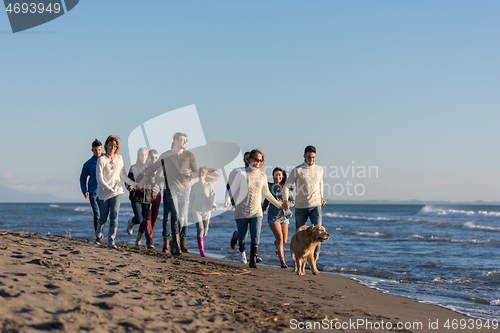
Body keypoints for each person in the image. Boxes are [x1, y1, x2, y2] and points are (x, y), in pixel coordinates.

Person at [139, 132, 198, 255]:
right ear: (175, 141)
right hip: (170, 190)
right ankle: (174, 245)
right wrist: (141, 182)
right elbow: (153, 169)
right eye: (182, 139)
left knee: (182, 218)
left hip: (185, 191)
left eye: (186, 139)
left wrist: (190, 174)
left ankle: (177, 242)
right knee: (174, 215)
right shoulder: (166, 155)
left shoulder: (189, 155)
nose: (185, 141)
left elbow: (196, 172)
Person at [227, 149, 282, 268]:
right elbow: (232, 189)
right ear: (249, 159)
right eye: (255, 160)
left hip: (256, 211)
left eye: (260, 160)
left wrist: (279, 204)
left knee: (256, 234)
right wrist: (228, 200)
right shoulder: (241, 174)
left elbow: (267, 194)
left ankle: (253, 260)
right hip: (241, 210)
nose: (257, 162)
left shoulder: (262, 176)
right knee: (242, 235)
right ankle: (235, 236)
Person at [282, 145, 325, 261]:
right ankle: (299, 262)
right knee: (300, 237)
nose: (311, 160)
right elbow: (286, 186)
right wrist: (285, 200)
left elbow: (320, 184)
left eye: (313, 157)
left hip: (316, 206)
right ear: (304, 156)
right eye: (309, 157)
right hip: (301, 207)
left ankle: (313, 263)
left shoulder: (320, 169)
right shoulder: (297, 170)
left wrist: (322, 197)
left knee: (319, 236)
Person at [95, 135, 138, 248]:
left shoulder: (119, 158)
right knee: (104, 217)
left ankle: (111, 239)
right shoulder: (101, 160)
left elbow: (123, 175)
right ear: (106, 146)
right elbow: (99, 179)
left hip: (116, 191)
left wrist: (134, 184)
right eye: (111, 146)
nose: (112, 148)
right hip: (104, 193)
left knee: (114, 215)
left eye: (115, 146)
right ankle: (99, 227)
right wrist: (108, 188)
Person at [262, 167, 295, 268]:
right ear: (273, 176)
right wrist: (261, 211)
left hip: (284, 217)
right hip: (273, 217)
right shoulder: (269, 188)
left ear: (282, 176)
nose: (278, 177)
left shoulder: (286, 188)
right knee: (280, 239)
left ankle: (277, 245)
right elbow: (266, 201)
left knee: (284, 240)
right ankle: (283, 262)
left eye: (280, 175)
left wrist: (286, 203)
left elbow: (293, 202)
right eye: (276, 175)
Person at [188, 165, 220, 257]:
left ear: (205, 174)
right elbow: (191, 199)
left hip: (206, 210)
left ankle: (201, 244)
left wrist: (214, 204)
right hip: (196, 210)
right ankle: (202, 251)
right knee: (200, 230)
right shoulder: (194, 186)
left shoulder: (209, 185)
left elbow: (212, 195)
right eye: (199, 172)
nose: (201, 174)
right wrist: (189, 211)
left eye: (202, 173)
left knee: (205, 231)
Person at [126, 147, 152, 249]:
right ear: (138, 156)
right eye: (142, 155)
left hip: (147, 196)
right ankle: (131, 223)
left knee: (144, 221)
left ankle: (137, 242)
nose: (143, 157)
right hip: (135, 196)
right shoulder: (133, 168)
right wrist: (128, 186)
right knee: (139, 219)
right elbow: (127, 180)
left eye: (145, 155)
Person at [79, 139, 102, 232]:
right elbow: (82, 178)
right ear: (92, 150)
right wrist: (85, 191)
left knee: (105, 215)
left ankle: (101, 231)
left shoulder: (107, 160)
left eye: (99, 150)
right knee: (97, 214)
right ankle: (98, 235)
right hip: (93, 192)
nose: (98, 152)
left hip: (105, 191)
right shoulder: (88, 164)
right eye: (96, 150)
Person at [144, 149, 162, 249]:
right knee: (148, 218)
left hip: (157, 194)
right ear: (148, 158)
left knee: (154, 219)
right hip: (147, 195)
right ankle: (150, 240)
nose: (154, 159)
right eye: (152, 157)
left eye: (155, 157)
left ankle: (149, 236)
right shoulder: (145, 168)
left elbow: (163, 179)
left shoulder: (160, 168)